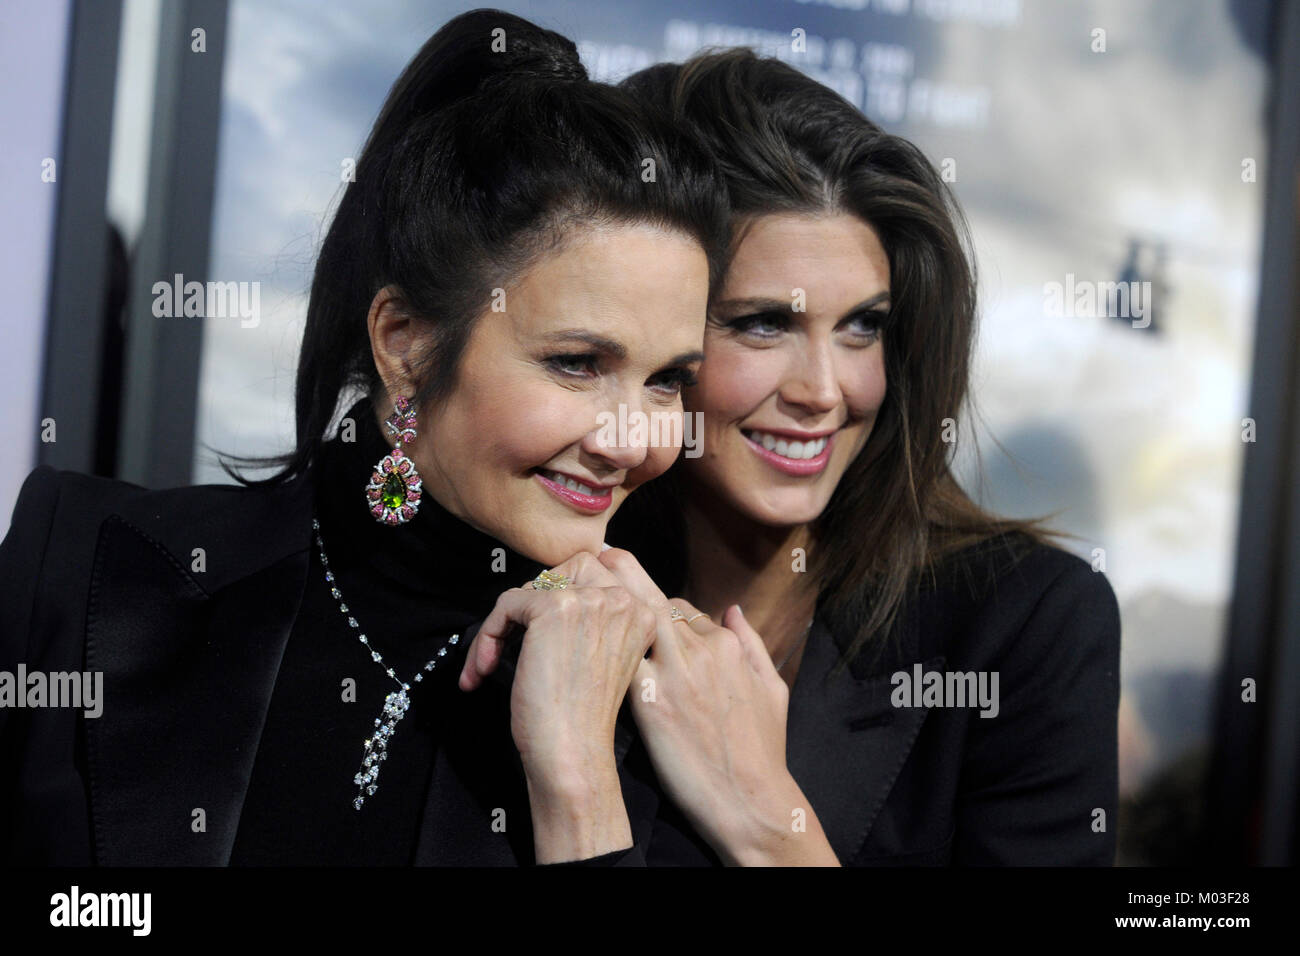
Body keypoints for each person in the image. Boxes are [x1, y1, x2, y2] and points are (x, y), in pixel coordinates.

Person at [0, 10, 729, 866]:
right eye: (576, 363)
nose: (632, 439)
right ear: (405, 341)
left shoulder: (666, 703)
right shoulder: (82, 570)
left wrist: (576, 789)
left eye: (668, 380)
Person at [461, 48, 1122, 865]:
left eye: (863, 327)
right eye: (764, 323)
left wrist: (768, 822)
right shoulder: (533, 594)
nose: (824, 390)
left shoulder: (1024, 624)